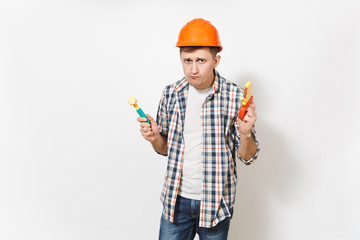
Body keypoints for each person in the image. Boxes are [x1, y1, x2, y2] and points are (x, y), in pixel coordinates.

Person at [137, 18, 260, 240]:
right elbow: (165, 149)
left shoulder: (236, 97)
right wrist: (155, 138)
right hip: (176, 202)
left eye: (201, 60)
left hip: (215, 203)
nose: (193, 69)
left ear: (216, 60)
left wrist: (246, 134)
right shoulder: (171, 94)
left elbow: (247, 156)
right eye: (187, 60)